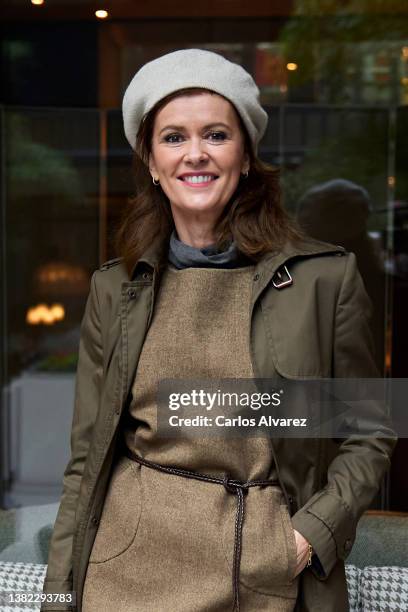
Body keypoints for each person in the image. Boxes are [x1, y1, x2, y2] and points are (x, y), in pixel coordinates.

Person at [41, 49, 397, 612]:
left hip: (265, 569)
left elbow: (370, 428)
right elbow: (86, 458)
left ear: (247, 155)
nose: (196, 154)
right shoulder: (115, 289)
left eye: (216, 135)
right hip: (126, 570)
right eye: (174, 138)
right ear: (153, 163)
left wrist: (309, 535)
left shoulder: (323, 279)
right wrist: (59, 592)